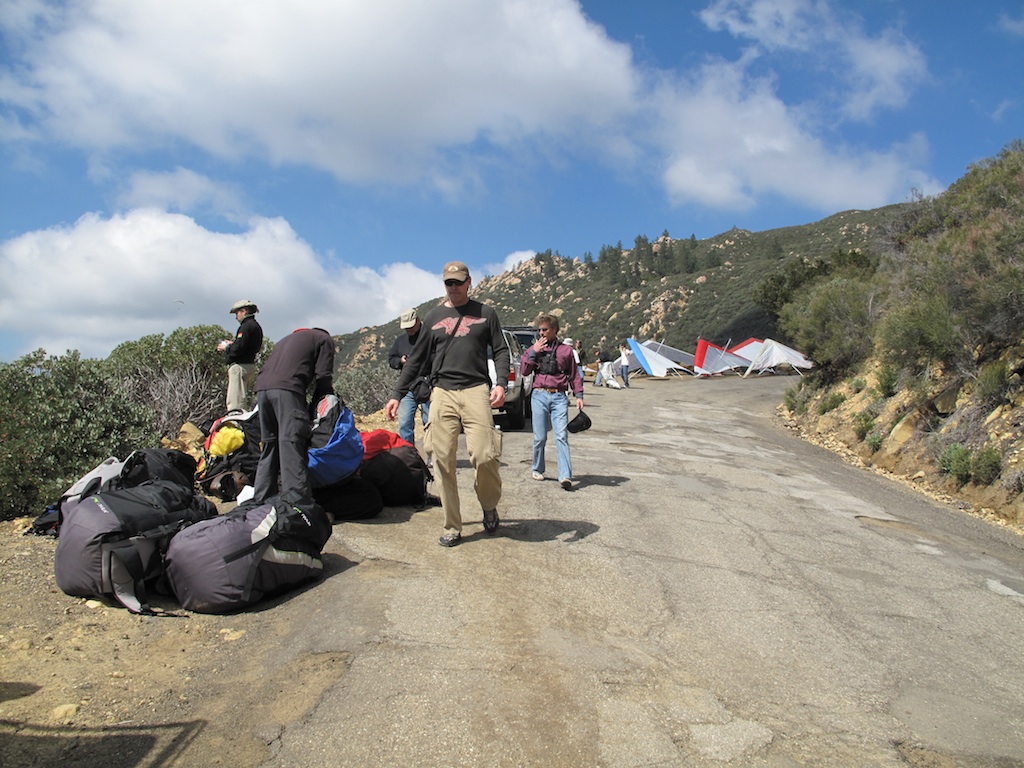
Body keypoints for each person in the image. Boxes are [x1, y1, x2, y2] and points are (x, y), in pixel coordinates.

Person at [385, 261, 509, 547]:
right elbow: (416, 360)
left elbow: (501, 350)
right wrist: (396, 394)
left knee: (485, 455)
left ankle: (489, 504)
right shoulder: (433, 317)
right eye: (448, 283)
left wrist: (501, 383)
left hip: (476, 389)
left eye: (458, 282)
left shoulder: (486, 314)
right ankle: (452, 524)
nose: (453, 287)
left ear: (469, 282)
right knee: (442, 459)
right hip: (442, 392)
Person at [252, 327, 335, 504]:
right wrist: (322, 400)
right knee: (290, 443)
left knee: (269, 445)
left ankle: (261, 501)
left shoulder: (285, 339)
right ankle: (297, 504)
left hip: (262, 391)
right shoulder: (324, 339)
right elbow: (323, 376)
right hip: (287, 390)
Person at [521, 315, 584, 490]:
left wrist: (579, 395)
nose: (541, 333)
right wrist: (534, 352)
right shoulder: (534, 349)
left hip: (559, 397)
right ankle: (537, 468)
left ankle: (565, 475)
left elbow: (574, 374)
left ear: (555, 330)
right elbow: (524, 371)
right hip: (539, 395)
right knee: (540, 437)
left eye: (545, 329)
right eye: (539, 330)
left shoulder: (566, 351)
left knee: (561, 436)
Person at [388, 308, 429, 446]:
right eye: (406, 328)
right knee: (405, 423)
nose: (409, 330)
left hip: (428, 384)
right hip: (408, 387)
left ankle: (433, 453)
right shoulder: (400, 341)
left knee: (430, 422)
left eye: (411, 326)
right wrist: (400, 361)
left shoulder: (429, 336)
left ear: (417, 321)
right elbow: (391, 359)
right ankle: (409, 454)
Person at [218, 300, 263, 412]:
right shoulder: (256, 326)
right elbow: (246, 345)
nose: (236, 317)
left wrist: (227, 347)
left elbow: (239, 349)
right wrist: (234, 344)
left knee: (236, 402)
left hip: (240, 367)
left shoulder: (246, 327)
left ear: (243, 311)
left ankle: (235, 420)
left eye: (237, 313)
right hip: (250, 365)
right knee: (241, 397)